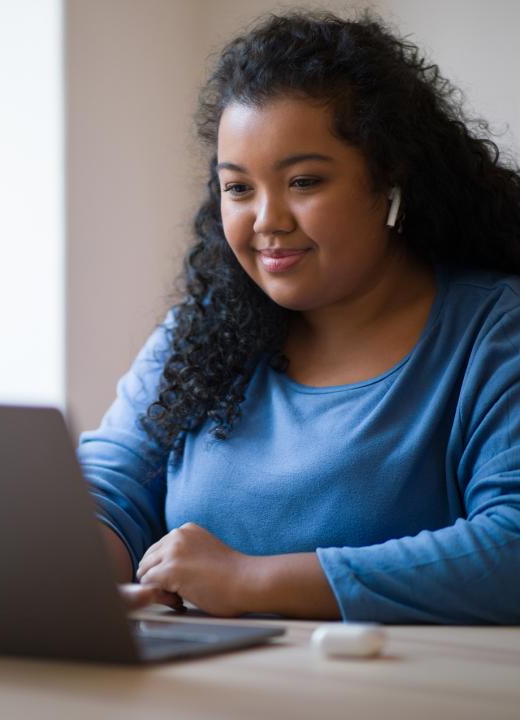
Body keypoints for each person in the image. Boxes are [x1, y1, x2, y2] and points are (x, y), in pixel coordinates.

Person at [77, 10, 520, 623]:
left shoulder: (494, 333)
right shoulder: (201, 334)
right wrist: (73, 574)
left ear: (389, 181)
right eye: (238, 188)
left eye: (304, 181)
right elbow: (111, 484)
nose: (266, 220)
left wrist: (253, 581)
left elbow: (511, 547)